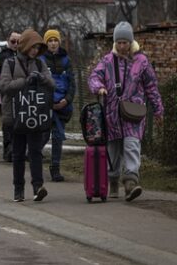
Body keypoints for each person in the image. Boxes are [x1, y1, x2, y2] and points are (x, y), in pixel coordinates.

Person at [88, 21, 164, 202]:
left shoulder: (142, 62)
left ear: (131, 42)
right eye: (119, 42)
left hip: (133, 114)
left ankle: (130, 182)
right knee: (113, 151)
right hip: (112, 115)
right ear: (115, 42)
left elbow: (152, 87)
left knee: (131, 146)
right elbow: (93, 77)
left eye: (125, 42)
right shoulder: (107, 61)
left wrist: (158, 110)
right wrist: (99, 87)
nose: (122, 46)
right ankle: (113, 180)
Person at [0, 29, 54, 202]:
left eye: (38, 48)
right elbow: (5, 86)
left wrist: (41, 79)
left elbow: (52, 84)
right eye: (33, 47)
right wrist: (25, 81)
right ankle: (18, 189)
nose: (35, 51)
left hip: (34, 114)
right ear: (25, 46)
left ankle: (38, 186)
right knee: (17, 153)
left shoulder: (40, 64)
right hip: (16, 116)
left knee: (36, 152)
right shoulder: (10, 63)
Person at [40, 29, 75, 182]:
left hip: (62, 105)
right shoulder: (40, 60)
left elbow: (72, 84)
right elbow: (39, 84)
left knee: (57, 137)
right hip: (46, 106)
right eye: (50, 41)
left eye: (55, 40)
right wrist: (49, 102)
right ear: (46, 43)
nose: (53, 43)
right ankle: (33, 157)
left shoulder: (66, 60)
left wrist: (66, 100)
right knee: (44, 135)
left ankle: (55, 167)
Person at [0, 30, 22, 162]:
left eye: (18, 42)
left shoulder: (24, 55)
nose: (15, 44)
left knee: (20, 122)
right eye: (13, 41)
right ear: (8, 41)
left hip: (21, 94)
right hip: (4, 94)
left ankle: (19, 149)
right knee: (8, 122)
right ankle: (8, 150)